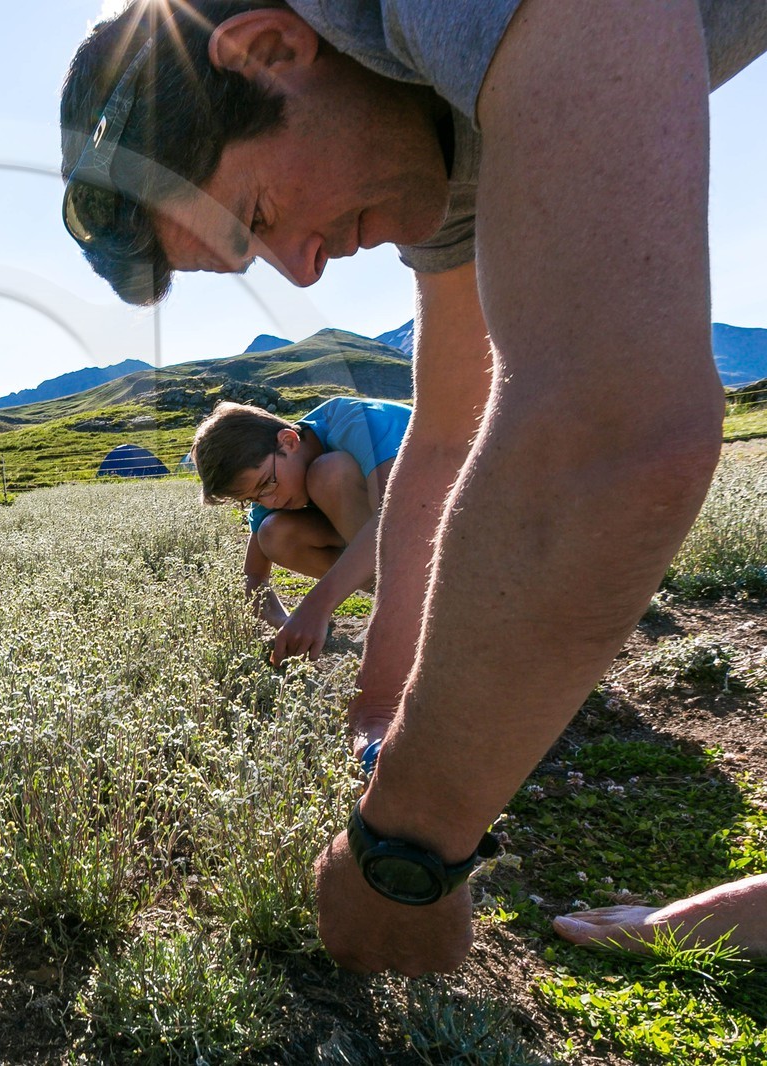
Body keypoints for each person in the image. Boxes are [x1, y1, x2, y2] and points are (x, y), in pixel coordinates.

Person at [59, 0, 767, 972]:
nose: (302, 273)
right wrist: (382, 703)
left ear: (271, 49)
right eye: (255, 256)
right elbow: (441, 449)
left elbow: (615, 435)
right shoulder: (439, 144)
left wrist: (404, 848)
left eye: (259, 216)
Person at [191, 396, 410, 666]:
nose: (269, 502)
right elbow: (254, 576)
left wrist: (316, 606)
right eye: (254, 499)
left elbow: (395, 521)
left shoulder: (359, 422)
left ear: (289, 441)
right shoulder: (274, 476)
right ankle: (404, 600)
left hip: (460, 537)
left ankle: (409, 607)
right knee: (273, 532)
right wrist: (288, 623)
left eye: (267, 485)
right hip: (407, 551)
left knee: (328, 473)